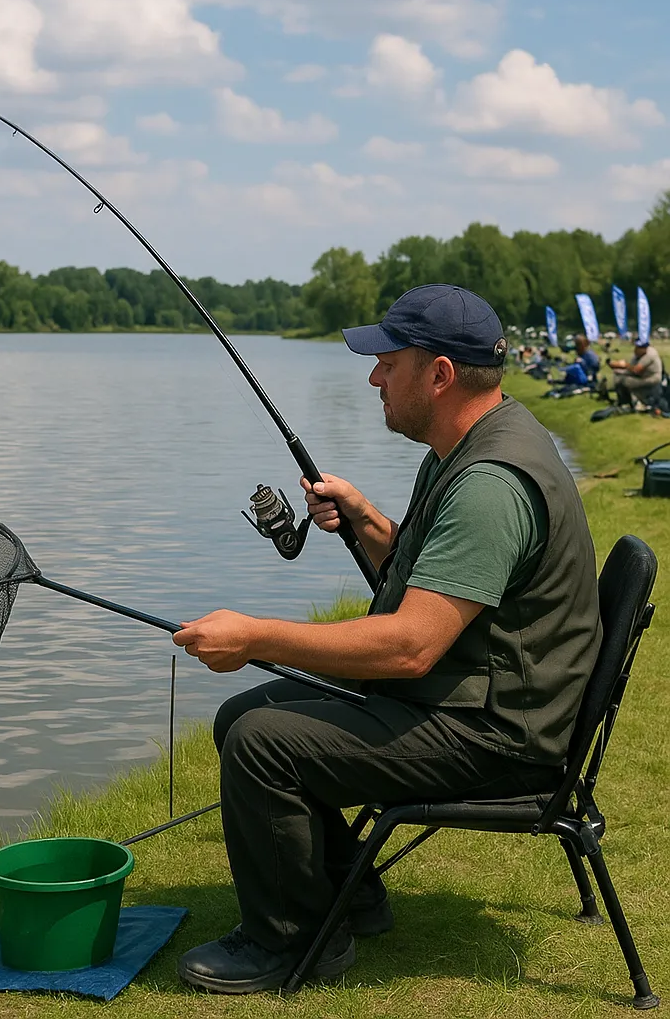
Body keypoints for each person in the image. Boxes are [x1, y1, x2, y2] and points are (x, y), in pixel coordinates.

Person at [172, 284, 601, 994]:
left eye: (387, 363)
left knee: (261, 743)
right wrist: (369, 522)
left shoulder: (490, 483)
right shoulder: (469, 444)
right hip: (478, 695)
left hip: (500, 733)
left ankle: (293, 943)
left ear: (439, 375)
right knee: (241, 715)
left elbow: (411, 647)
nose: (373, 378)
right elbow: (440, 588)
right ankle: (349, 893)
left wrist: (255, 637)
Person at [609, 340, 663, 410]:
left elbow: (636, 370)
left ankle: (627, 403)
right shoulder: (638, 354)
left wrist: (624, 365)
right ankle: (623, 401)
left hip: (651, 378)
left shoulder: (649, 355)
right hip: (642, 375)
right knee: (618, 373)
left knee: (625, 381)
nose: (637, 349)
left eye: (639, 348)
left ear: (645, 349)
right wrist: (617, 367)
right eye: (637, 347)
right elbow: (632, 367)